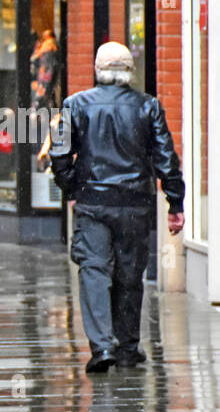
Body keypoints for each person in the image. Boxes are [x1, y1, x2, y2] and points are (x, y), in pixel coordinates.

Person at [50, 41, 185, 374]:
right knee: (129, 274)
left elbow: (59, 155)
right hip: (135, 204)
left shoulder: (75, 105)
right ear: (129, 72)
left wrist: (72, 188)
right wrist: (175, 201)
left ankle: (102, 346)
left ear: (97, 71)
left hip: (93, 202)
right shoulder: (148, 107)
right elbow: (166, 158)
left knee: (94, 270)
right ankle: (127, 346)